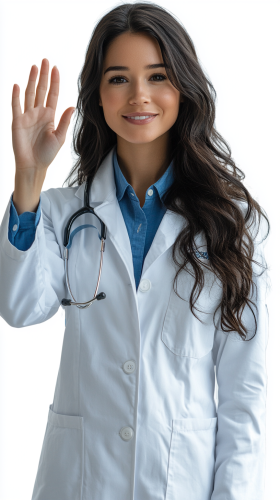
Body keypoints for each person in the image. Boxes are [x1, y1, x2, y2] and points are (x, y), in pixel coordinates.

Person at [0, 2, 270, 500]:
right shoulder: (61, 212)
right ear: (98, 96)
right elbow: (19, 308)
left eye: (158, 76)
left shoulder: (231, 223)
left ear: (183, 89)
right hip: (80, 481)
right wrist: (28, 183)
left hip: (180, 483)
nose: (139, 96)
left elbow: (244, 395)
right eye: (119, 78)